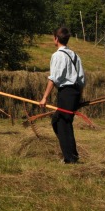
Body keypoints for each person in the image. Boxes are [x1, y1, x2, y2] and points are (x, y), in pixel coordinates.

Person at [39, 27, 85, 164]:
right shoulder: (74, 55)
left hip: (66, 92)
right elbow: (81, 79)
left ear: (56, 39)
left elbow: (54, 78)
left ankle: (70, 158)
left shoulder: (58, 55)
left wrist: (44, 97)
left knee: (62, 123)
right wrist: (78, 96)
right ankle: (72, 154)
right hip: (75, 91)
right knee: (61, 122)